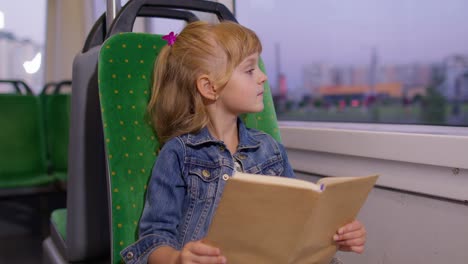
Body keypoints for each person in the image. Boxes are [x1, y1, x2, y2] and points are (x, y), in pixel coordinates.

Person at [121, 21, 367, 264]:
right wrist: (177, 259)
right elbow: (155, 237)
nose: (263, 78)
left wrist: (336, 235)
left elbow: (299, 221)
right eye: (250, 70)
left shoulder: (269, 150)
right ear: (209, 87)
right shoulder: (178, 154)